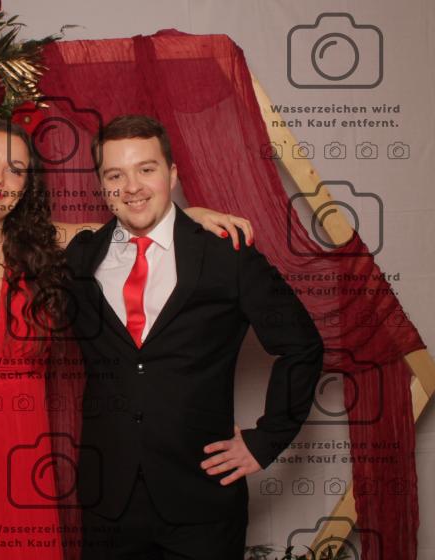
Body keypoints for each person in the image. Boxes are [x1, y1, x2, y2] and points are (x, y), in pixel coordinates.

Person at [0, 118, 255, 559]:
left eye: (15, 169)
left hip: (21, 458)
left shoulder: (46, 249)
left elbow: (129, 225)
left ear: (26, 185)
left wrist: (187, 218)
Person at [64, 115, 325, 559]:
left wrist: (265, 441)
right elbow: (12, 234)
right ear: (101, 185)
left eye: (146, 169)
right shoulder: (80, 258)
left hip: (203, 502)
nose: (132, 186)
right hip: (108, 505)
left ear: (171, 174)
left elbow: (302, 345)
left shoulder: (225, 253)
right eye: (115, 175)